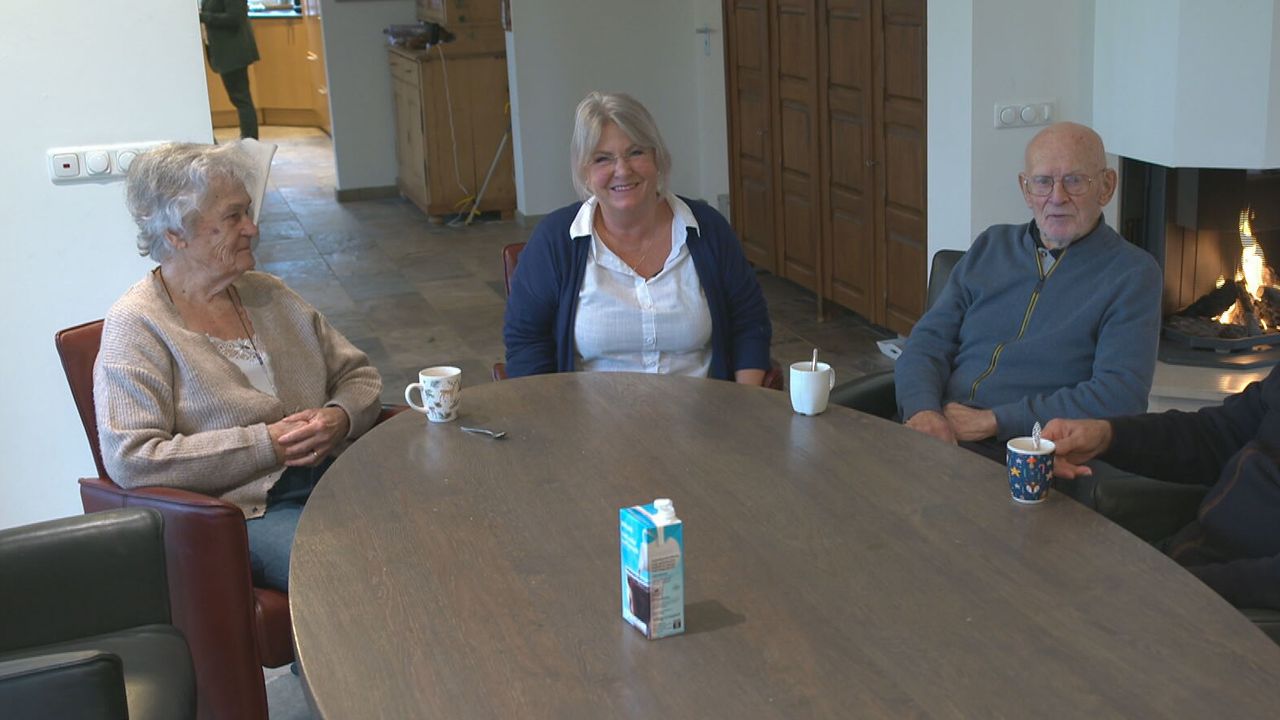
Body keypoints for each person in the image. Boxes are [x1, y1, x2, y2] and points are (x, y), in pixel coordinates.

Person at [95, 142, 382, 592]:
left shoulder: (268, 293)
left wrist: (339, 417)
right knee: (347, 574)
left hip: (331, 477)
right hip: (239, 511)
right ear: (176, 234)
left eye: (248, 212)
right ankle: (327, 664)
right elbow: (133, 459)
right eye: (233, 217)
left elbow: (358, 376)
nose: (252, 228)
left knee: (434, 532)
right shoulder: (138, 325)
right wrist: (267, 445)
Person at [893, 122, 1162, 460]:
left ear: (1106, 187)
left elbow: (1120, 395)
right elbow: (927, 340)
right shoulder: (992, 245)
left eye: (1075, 180)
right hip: (937, 429)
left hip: (1024, 450)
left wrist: (994, 421)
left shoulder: (1132, 273)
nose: (1057, 196)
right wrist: (923, 411)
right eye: (1043, 181)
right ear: (1025, 188)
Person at [503, 91, 772, 384]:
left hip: (701, 423)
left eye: (636, 153)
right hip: (591, 425)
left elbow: (749, 324)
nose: (622, 170)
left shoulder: (709, 230)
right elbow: (527, 344)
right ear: (585, 172)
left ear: (657, 158)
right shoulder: (554, 241)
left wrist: (745, 409)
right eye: (603, 159)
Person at [1042, 368, 1280, 610]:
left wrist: (1176, 586)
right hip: (1186, 557)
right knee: (1043, 576)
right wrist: (1107, 436)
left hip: (1236, 607)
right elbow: (1219, 433)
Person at [200, 0, 260, 139]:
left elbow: (235, 18)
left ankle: (249, 141)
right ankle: (248, 140)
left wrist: (204, 17)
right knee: (240, 98)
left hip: (233, 52)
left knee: (241, 99)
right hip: (225, 52)